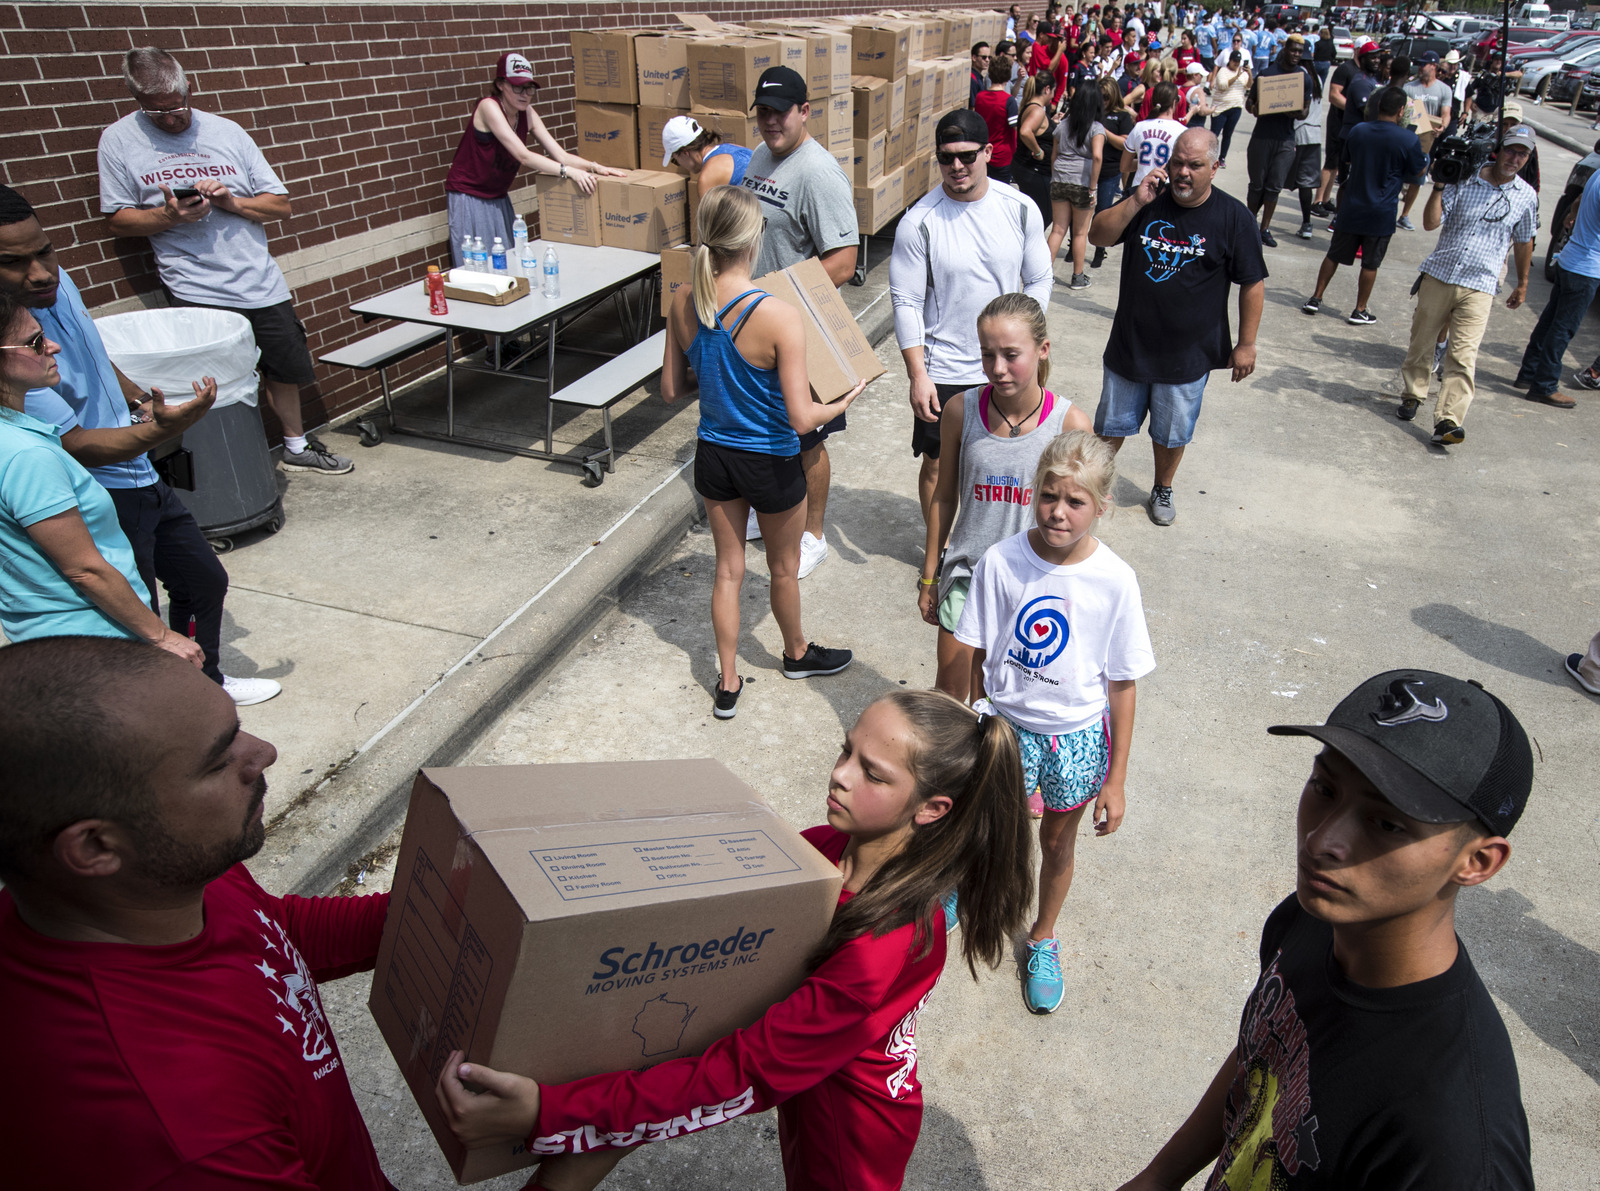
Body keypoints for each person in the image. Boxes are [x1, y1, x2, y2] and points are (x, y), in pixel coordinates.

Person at [433, 690, 1035, 1191]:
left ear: (931, 809)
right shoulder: (820, 851)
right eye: (845, 750)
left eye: (871, 773)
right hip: (812, 1083)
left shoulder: (886, 948)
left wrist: (548, 1112)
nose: (840, 775)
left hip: (847, 1140)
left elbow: (743, 1073)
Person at [1113, 669, 1536, 1191]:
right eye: (1325, 787)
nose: (1322, 839)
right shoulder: (1315, 918)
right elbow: (1266, 1054)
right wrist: (1159, 1177)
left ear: (1477, 862)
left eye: (1386, 823)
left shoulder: (1451, 1144)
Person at [0, 636, 394, 1188]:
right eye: (219, 758)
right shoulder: (185, 1138)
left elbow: (272, 934)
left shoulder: (161, 878)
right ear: (94, 848)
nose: (263, 752)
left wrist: (450, 906)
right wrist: (562, 1155)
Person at [1, 186, 277, 705]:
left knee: (202, 581)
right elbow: (78, 448)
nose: (41, 273)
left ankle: (205, 685)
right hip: (99, 490)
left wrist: (139, 403)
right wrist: (171, 427)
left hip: (139, 472)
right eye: (14, 263)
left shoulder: (56, 293)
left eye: (45, 251)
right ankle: (173, 710)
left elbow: (93, 352)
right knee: (139, 616)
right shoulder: (14, 355)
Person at [956, 430, 1153, 1013]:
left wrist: (1116, 781)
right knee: (982, 826)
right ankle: (956, 891)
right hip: (1006, 727)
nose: (1058, 512)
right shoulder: (1002, 561)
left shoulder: (1115, 581)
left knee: (1057, 842)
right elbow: (974, 647)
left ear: (1102, 506)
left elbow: (1122, 683)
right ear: (1033, 492)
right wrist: (978, 716)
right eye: (1049, 496)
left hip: (1076, 736)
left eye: (1075, 502)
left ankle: (1041, 937)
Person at [98, 48, 350, 475]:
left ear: (189, 88)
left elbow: (281, 207)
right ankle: (234, 464)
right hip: (195, 288)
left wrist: (231, 201)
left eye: (178, 106)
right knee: (212, 384)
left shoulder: (227, 132)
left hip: (258, 281)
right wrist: (168, 216)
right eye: (157, 112)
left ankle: (295, 446)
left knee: (283, 368)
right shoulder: (119, 140)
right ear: (135, 99)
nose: (172, 118)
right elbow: (119, 221)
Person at [662, 186, 863, 718]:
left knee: (727, 571)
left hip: (714, 453)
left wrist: (716, 376)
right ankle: (796, 654)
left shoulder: (683, 298)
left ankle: (727, 681)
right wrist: (844, 398)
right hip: (770, 458)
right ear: (754, 239)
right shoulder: (778, 314)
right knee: (782, 567)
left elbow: (671, 390)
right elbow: (801, 418)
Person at [0, 297, 203, 668]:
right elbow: (85, 569)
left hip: (53, 642)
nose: (53, 346)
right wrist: (161, 635)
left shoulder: (14, 434)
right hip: (97, 643)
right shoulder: (27, 455)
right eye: (34, 342)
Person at [918, 295, 1092, 705]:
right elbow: (944, 496)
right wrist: (930, 575)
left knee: (1007, 701)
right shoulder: (961, 411)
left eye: (1011, 355)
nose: (998, 368)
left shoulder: (1070, 424)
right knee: (949, 695)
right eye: (987, 354)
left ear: (1042, 349)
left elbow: (1077, 518)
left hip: (1032, 584)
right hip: (966, 576)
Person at [1089, 128, 1265, 526]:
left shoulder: (1234, 217)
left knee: (1171, 433)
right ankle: (1091, 486)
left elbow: (1252, 281)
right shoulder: (1147, 202)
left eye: (1195, 165)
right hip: (1131, 344)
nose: (1183, 172)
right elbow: (1098, 234)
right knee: (1110, 426)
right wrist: (1135, 199)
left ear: (1215, 168)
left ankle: (1162, 486)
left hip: (1188, 354)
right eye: (1177, 162)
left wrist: (1247, 343)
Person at [892, 110, 1054, 530]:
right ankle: (941, 549)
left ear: (988, 151)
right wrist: (918, 375)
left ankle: (1000, 541)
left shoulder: (1019, 209)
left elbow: (1039, 277)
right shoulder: (919, 222)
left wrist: (1027, 341)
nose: (956, 167)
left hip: (1007, 363)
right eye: (946, 158)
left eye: (966, 155)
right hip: (944, 367)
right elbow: (906, 300)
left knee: (1008, 463)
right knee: (938, 466)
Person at [740, 67, 859, 578]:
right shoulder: (762, 157)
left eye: (780, 111)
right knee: (769, 424)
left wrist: (780, 295)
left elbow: (845, 260)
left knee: (810, 437)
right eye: (763, 112)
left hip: (798, 325)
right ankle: (770, 509)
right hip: (757, 321)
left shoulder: (817, 172)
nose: (770, 122)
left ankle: (813, 535)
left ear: (804, 111)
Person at [1396, 124, 1538, 445]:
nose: (1515, 158)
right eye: (1511, 150)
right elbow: (1431, 223)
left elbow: (1523, 240)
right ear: (1498, 150)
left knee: (1463, 355)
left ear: (1527, 159)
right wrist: (1439, 185)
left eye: (1522, 154)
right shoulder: (1464, 178)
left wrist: (1523, 283)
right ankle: (1413, 394)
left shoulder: (1526, 197)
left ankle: (1448, 420)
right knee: (1422, 341)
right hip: (1440, 275)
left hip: (1481, 285)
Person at [445, 51, 625, 268]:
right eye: (517, 87)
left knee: (507, 264)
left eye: (529, 88)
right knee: (477, 268)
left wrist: (596, 168)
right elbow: (523, 155)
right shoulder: (489, 106)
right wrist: (570, 173)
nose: (524, 94)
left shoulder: (527, 113)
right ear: (501, 84)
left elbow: (561, 156)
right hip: (470, 196)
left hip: (498, 197)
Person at [1300, 88, 1424, 325]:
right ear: (1401, 111)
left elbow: (1347, 159)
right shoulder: (1408, 138)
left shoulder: (1359, 131)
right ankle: (1359, 309)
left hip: (1352, 207)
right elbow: (1417, 170)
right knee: (1370, 263)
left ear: (1378, 107)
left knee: (1333, 255)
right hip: (1382, 211)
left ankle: (1315, 298)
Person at [1513, 166, 1600, 410]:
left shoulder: (1597, 174)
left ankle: (1528, 373)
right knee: (1562, 329)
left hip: (1572, 260)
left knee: (1551, 321)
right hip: (1585, 269)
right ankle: (1544, 386)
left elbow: (1579, 200)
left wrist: (1572, 217)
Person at [1244, 35, 1315, 247]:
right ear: (1284, 50)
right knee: (1257, 185)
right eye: (1293, 50)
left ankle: (1264, 228)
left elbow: (1305, 111)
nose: (1296, 55)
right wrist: (1255, 108)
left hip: (1285, 139)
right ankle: (1248, 225)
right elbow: (1250, 102)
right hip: (1262, 136)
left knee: (1274, 185)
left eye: (1299, 52)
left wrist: (1295, 112)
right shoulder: (1267, 74)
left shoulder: (1304, 79)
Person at [1049, 84, 1109, 290]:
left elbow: (1054, 155)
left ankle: (1045, 274)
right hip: (1082, 183)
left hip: (1059, 179)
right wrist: (1093, 188)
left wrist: (1055, 176)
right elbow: (1098, 156)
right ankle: (1078, 276)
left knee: (1057, 229)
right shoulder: (1096, 128)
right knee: (1080, 233)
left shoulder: (1063, 125)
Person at [1316, 40, 1383, 215]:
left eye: (1378, 56)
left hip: (1354, 124)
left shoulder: (1369, 77)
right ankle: (1317, 200)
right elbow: (1333, 95)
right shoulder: (1346, 69)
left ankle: (1326, 199)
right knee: (1331, 162)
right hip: (1339, 121)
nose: (1376, 60)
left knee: (1339, 165)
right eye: (1372, 56)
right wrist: (1354, 107)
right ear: (1360, 52)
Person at [1398, 53, 1454, 230]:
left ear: (1434, 66)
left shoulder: (1444, 89)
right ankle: (1392, 210)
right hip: (1407, 138)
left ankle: (1404, 215)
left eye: (1424, 64)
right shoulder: (1409, 87)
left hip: (1425, 142)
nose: (1420, 67)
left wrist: (1442, 126)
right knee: (1397, 176)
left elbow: (1446, 113)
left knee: (1417, 179)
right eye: (1419, 64)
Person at [1091, 78, 1136, 269]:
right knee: (1081, 212)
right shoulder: (1093, 113)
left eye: (1107, 97)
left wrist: (1103, 131)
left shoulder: (1123, 117)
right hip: (1089, 170)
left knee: (1103, 210)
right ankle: (1073, 246)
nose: (1103, 101)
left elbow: (1125, 144)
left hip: (1109, 170)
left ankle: (1100, 249)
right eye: (1100, 97)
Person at [1121, 81, 1187, 191]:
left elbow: (1124, 166)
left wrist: (1146, 162)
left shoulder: (1139, 127)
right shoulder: (1183, 132)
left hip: (1139, 189)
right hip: (1166, 192)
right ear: (1175, 102)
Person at [1014, 69, 1059, 226]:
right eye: (1053, 91)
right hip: (1035, 172)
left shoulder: (1030, 107)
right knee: (1044, 216)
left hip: (1028, 169)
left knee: (1034, 216)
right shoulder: (1038, 110)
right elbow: (1025, 131)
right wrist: (1038, 151)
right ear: (1047, 89)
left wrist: (1052, 123)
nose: (1053, 96)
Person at [661, 114, 753, 188]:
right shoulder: (733, 148)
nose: (680, 165)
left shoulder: (708, 178)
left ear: (685, 152)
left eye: (675, 160)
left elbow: (710, 212)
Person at [1287, 73, 1323, 239]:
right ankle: (1307, 223)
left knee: (1275, 178)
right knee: (1306, 183)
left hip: (1296, 133)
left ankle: (1256, 217)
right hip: (1314, 134)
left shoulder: (1296, 76)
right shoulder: (1317, 79)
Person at [975, 58, 1022, 184]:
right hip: (1003, 156)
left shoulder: (980, 97)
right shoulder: (1008, 100)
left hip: (984, 153)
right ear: (1008, 76)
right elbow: (1016, 127)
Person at [1209, 44, 1251, 167]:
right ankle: (1210, 156)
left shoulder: (1243, 73)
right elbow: (1223, 85)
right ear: (1230, 61)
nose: (1236, 64)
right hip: (1221, 109)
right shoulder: (1223, 71)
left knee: (1228, 134)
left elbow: (1249, 86)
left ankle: (1222, 157)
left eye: (1238, 61)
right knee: (1214, 135)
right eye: (1235, 61)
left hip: (1236, 107)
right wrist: (1236, 76)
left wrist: (1249, 74)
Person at [971, 40, 994, 106]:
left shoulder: (979, 77)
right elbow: (972, 107)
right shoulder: (972, 80)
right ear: (974, 58)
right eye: (984, 57)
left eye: (989, 57)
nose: (987, 60)